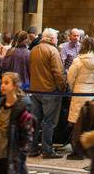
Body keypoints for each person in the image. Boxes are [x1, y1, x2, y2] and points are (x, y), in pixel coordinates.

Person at [28, 28, 69, 158]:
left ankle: (32, 148)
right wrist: (63, 87)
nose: (57, 40)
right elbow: (58, 72)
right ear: (51, 39)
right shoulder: (52, 50)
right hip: (50, 91)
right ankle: (47, 149)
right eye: (56, 38)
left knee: (35, 120)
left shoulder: (34, 50)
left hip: (35, 90)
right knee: (49, 121)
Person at [65, 37, 94, 160]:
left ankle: (78, 151)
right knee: (90, 122)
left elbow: (70, 77)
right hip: (93, 93)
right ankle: (89, 149)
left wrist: (73, 87)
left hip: (79, 92)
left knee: (77, 123)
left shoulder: (78, 61)